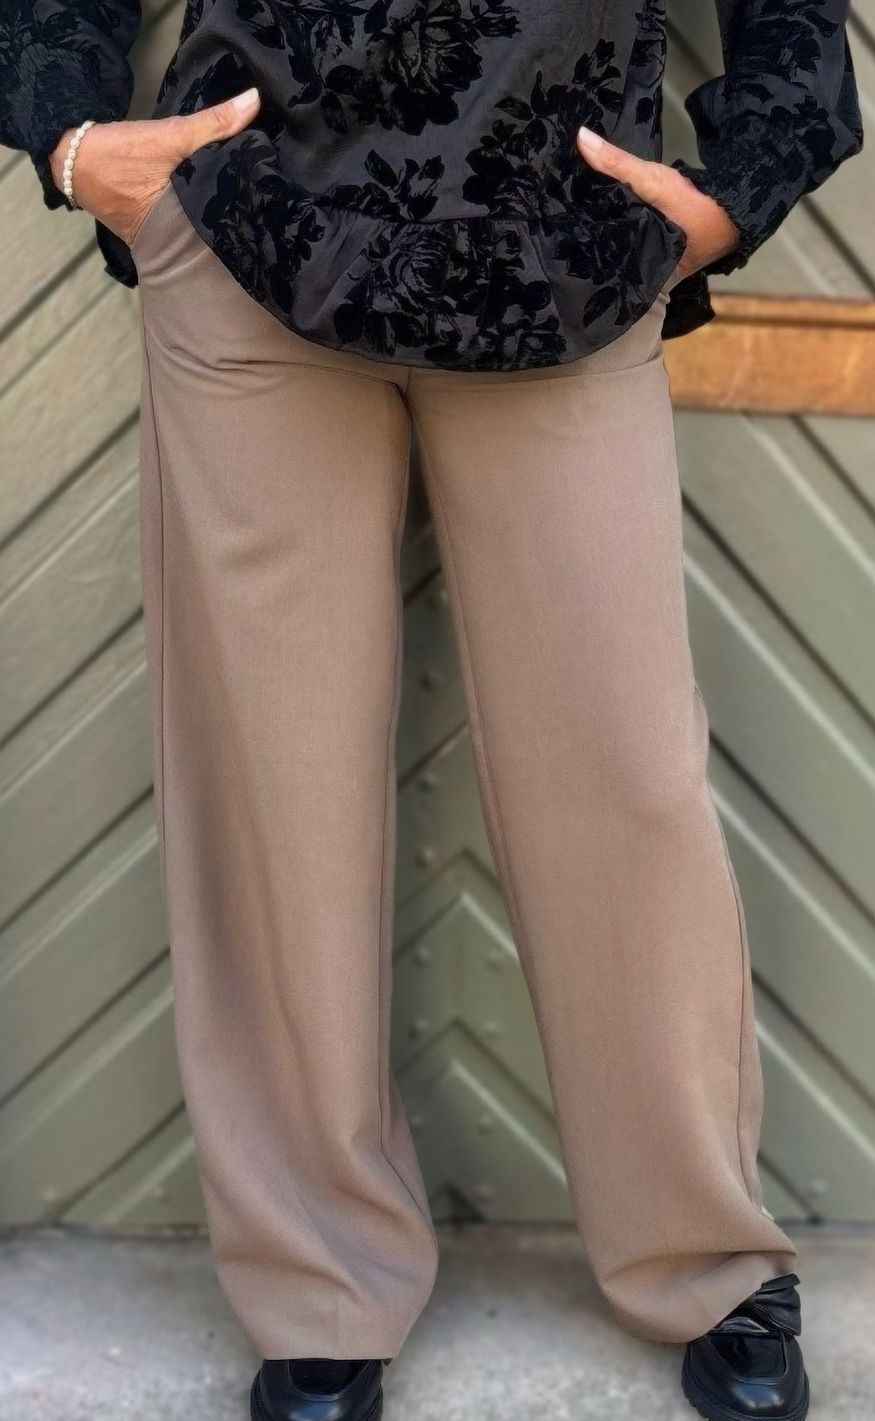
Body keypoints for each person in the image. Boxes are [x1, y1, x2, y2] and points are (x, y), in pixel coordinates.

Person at [0, 1, 862, 1419]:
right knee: (272, 791)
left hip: (571, 262)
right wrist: (74, 140)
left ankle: (706, 1256)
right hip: (247, 242)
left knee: (626, 786)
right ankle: (316, 1280)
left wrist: (737, 191)